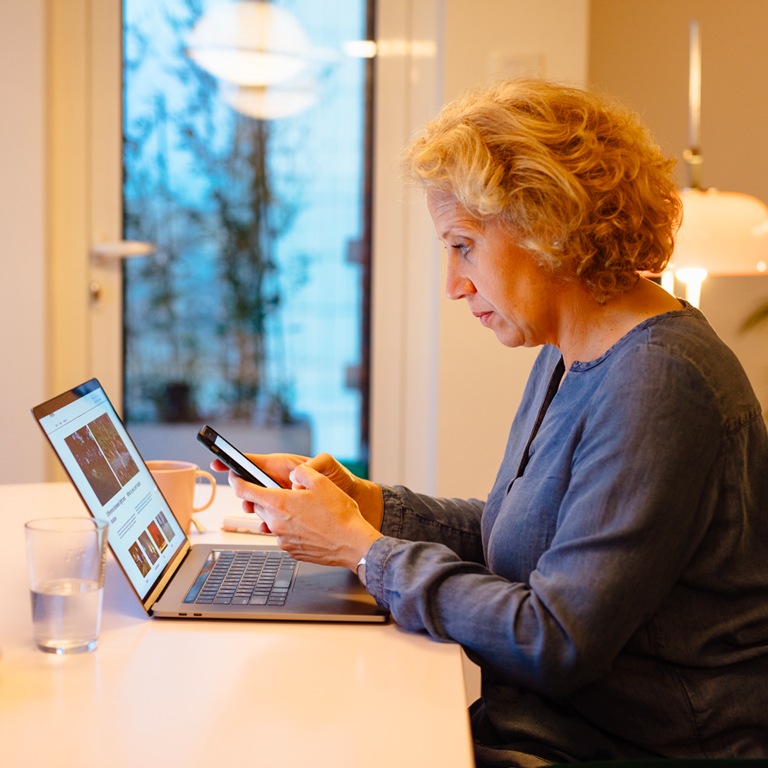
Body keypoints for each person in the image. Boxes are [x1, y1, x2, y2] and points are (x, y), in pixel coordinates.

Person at [213, 79, 768, 764]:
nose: (453, 284)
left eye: (463, 246)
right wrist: (369, 507)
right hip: (553, 725)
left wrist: (361, 550)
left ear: (547, 224)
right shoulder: (571, 351)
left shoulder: (661, 382)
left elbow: (552, 639)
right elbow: (526, 541)